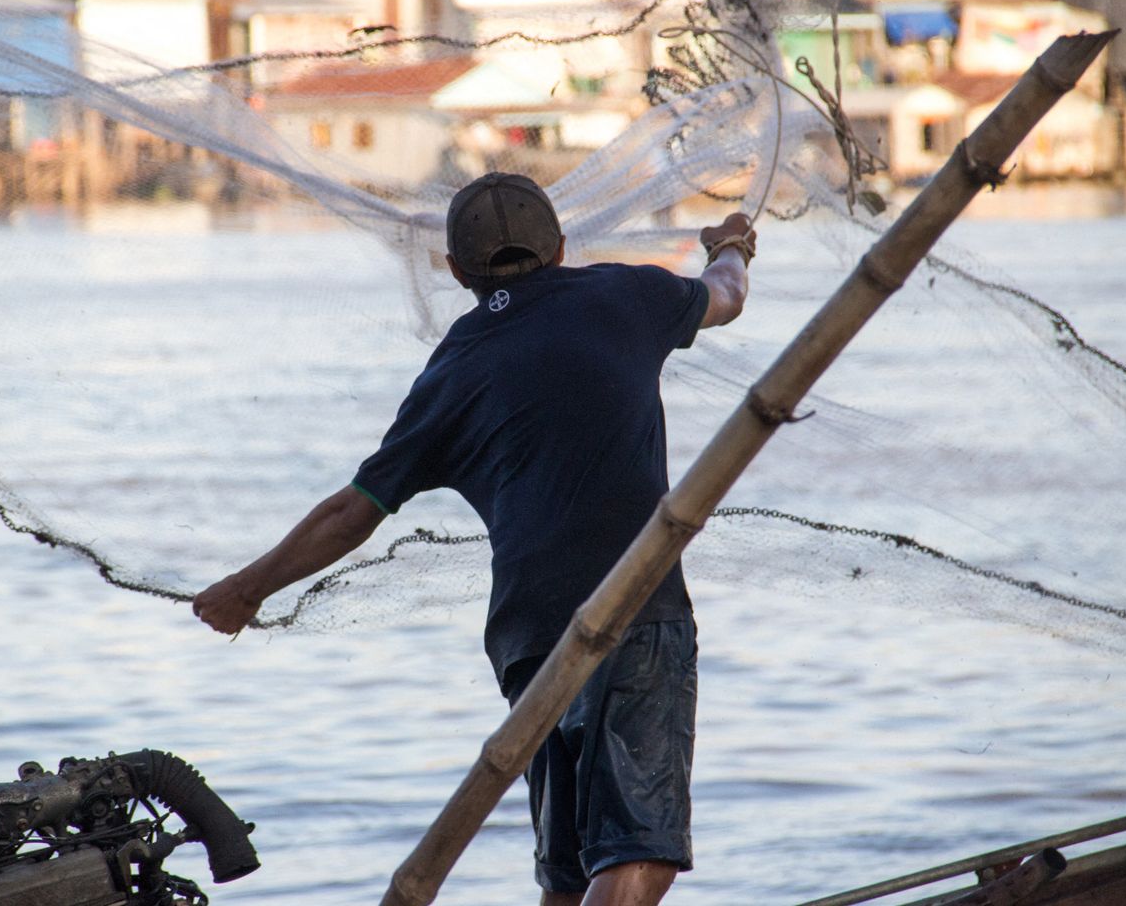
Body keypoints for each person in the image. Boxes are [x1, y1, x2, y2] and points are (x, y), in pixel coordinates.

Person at [195, 172, 754, 906]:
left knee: (569, 869)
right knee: (637, 852)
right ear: (559, 247)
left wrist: (245, 589)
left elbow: (352, 512)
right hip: (632, 614)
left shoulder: (454, 369)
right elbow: (726, 295)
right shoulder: (626, 296)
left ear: (456, 271)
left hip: (528, 637)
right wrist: (734, 245)